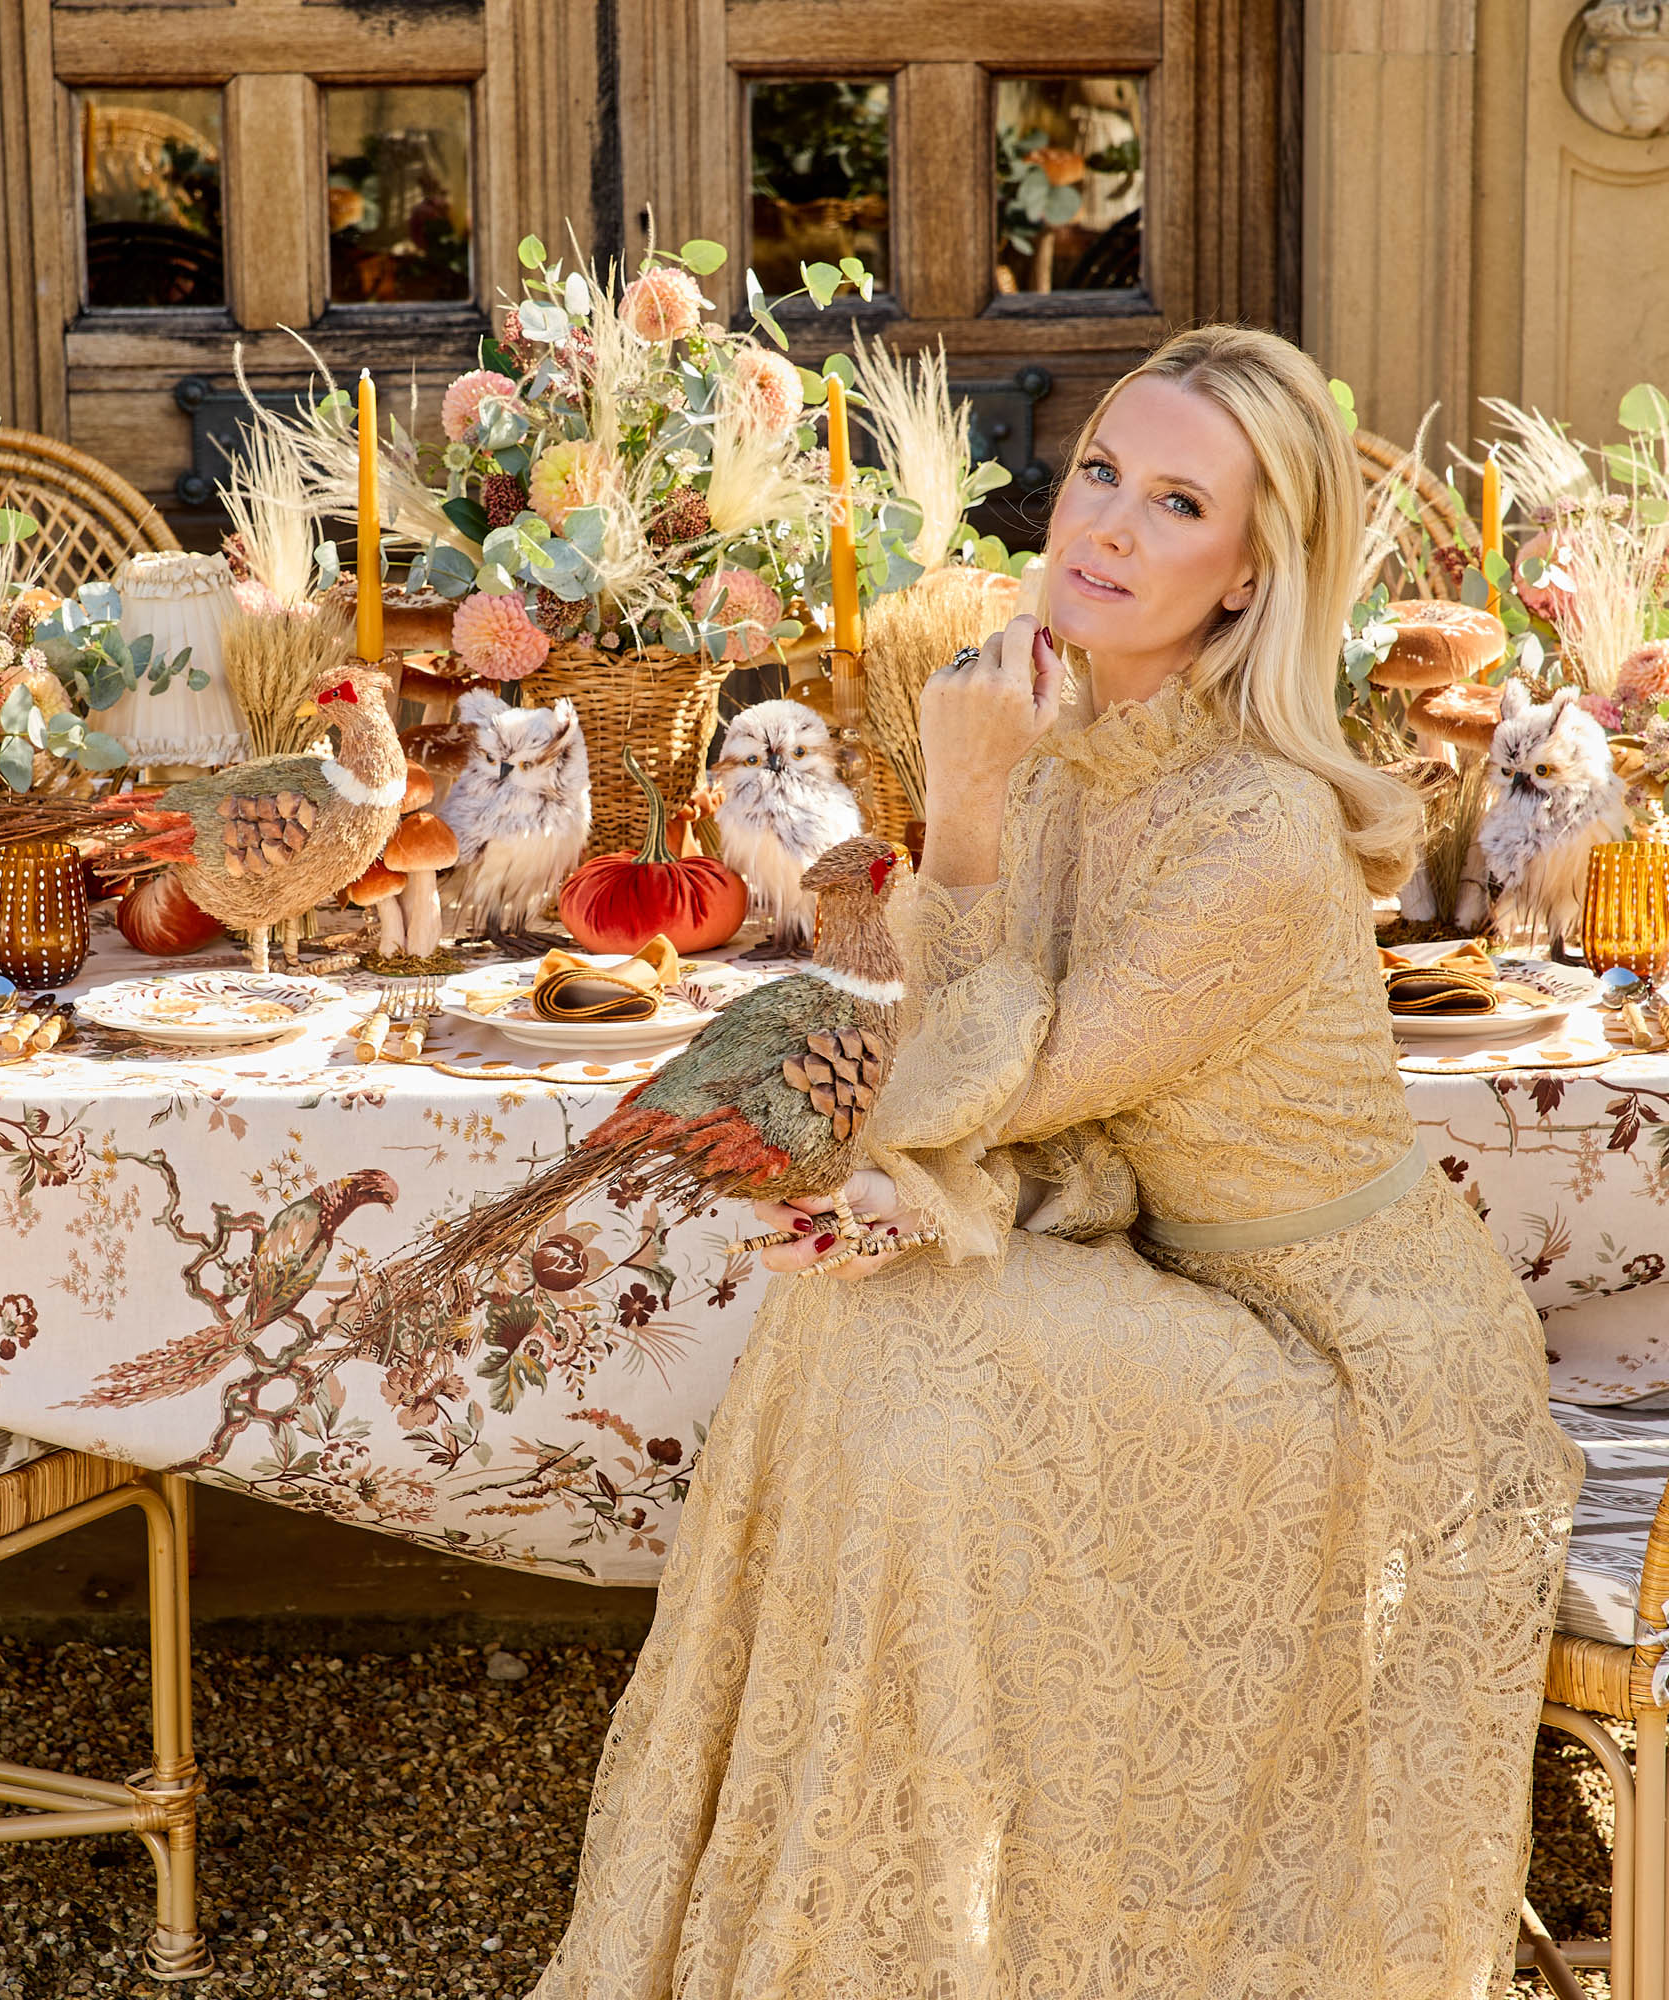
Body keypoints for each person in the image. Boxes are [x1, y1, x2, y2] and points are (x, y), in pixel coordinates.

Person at [527, 324, 1584, 2000]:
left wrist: (959, 807)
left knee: (926, 1366)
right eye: (1100, 470)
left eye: (1177, 505)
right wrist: (907, 1201)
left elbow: (981, 1076)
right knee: (869, 1325)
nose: (1103, 525)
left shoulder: (1255, 831)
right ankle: (840, 1925)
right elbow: (1051, 1132)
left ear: (1249, 579)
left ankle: (923, 1934)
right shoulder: (1074, 741)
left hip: (1361, 1365)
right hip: (1166, 1275)